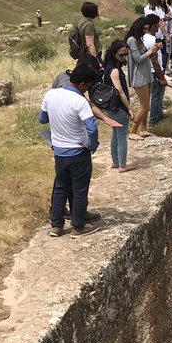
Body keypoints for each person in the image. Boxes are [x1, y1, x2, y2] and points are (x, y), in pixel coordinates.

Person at [40, 60, 101, 237]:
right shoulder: (79, 101)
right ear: (82, 84)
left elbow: (42, 119)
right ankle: (78, 227)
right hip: (78, 152)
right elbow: (92, 127)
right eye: (87, 87)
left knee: (61, 187)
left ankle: (56, 226)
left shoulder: (50, 94)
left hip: (59, 151)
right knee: (80, 190)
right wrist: (92, 145)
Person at [103, 41, 134, 171]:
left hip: (112, 107)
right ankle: (122, 164)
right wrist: (129, 108)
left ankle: (116, 161)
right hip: (119, 106)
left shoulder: (108, 67)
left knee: (116, 134)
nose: (124, 57)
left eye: (126, 54)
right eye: (121, 55)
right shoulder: (115, 70)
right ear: (114, 54)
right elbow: (120, 91)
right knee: (122, 136)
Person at [126, 16, 159, 137]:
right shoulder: (132, 40)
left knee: (147, 105)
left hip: (146, 75)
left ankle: (143, 129)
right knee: (144, 106)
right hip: (138, 76)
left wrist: (154, 50)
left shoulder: (139, 40)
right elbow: (137, 59)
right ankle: (133, 131)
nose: (145, 31)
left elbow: (146, 56)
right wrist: (150, 51)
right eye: (144, 28)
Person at [140, 14, 167, 126]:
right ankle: (154, 119)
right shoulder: (152, 40)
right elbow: (154, 61)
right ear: (153, 26)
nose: (159, 26)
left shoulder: (143, 38)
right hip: (154, 71)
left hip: (147, 71)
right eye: (158, 24)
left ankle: (157, 114)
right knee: (157, 95)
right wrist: (162, 77)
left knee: (154, 95)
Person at [74, 1, 101, 68]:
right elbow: (90, 44)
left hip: (84, 54)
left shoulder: (81, 21)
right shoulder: (89, 25)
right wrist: (96, 60)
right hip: (91, 55)